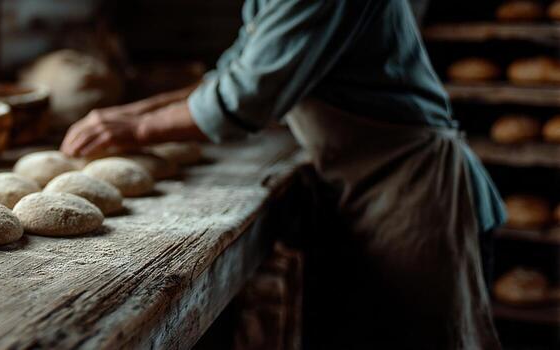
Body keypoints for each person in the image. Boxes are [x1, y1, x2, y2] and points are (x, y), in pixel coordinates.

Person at [60, 0, 505, 348]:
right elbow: (231, 74)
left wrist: (138, 129)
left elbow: (248, 96)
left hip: (414, 191)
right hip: (365, 185)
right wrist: (135, 113)